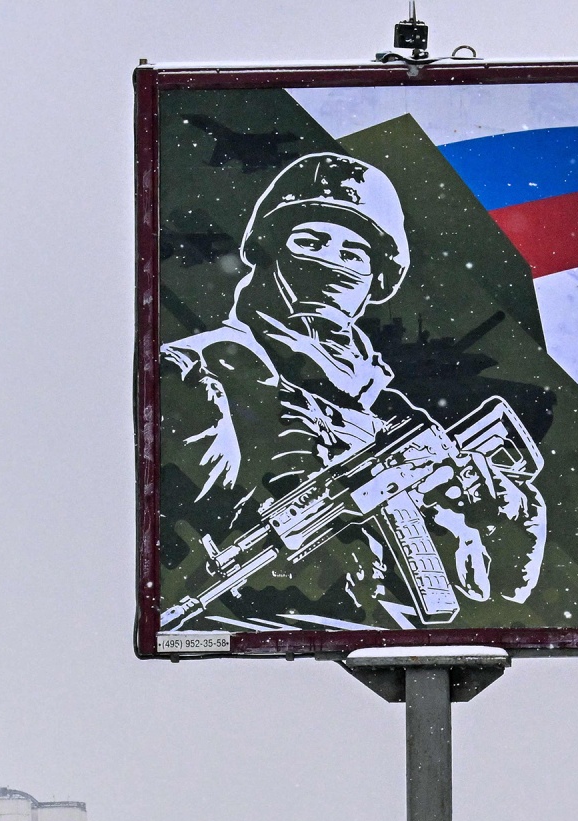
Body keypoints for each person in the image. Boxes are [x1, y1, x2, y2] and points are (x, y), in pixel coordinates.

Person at [157, 153, 548, 634]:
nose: (329, 263)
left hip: (389, 634)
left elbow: (498, 595)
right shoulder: (206, 369)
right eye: (310, 241)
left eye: (352, 253)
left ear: (375, 280)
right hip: (275, 632)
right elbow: (197, 499)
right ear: (271, 249)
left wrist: (499, 518)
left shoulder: (385, 407)